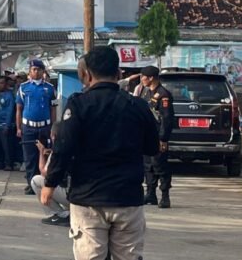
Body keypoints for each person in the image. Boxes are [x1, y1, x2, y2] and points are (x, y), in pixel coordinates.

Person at [43, 47, 159, 260]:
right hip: (127, 198)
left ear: (86, 74)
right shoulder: (138, 105)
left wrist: (50, 183)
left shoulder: (78, 104)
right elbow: (153, 148)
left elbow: (63, 147)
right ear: (119, 73)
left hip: (88, 199)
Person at [16, 59, 56, 195]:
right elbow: (19, 109)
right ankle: (30, 184)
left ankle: (42, 182)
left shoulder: (50, 88)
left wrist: (53, 128)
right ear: (30, 71)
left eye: (38, 69)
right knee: (29, 157)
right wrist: (18, 128)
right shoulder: (23, 87)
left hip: (44, 127)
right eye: (33, 69)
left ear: (43, 71)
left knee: (44, 154)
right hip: (28, 127)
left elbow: (53, 109)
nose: (36, 71)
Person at [137, 65, 175, 208]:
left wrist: (163, 139)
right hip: (147, 135)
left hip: (158, 136)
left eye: (143, 77)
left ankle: (165, 196)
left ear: (151, 78)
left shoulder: (163, 94)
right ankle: (150, 194)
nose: (141, 79)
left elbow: (167, 118)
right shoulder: (146, 93)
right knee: (148, 166)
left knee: (160, 166)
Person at [31, 122, 69, 227]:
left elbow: (44, 172)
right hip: (84, 195)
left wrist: (41, 152)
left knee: (36, 180)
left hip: (70, 195)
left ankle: (61, 215)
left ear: (53, 136)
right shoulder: (75, 146)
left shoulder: (58, 150)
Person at [0, 76, 15, 171]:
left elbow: (10, 112)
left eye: (1, 83)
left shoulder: (9, 96)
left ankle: (8, 164)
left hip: (4, 125)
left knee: (7, 146)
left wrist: (7, 125)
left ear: (6, 84)